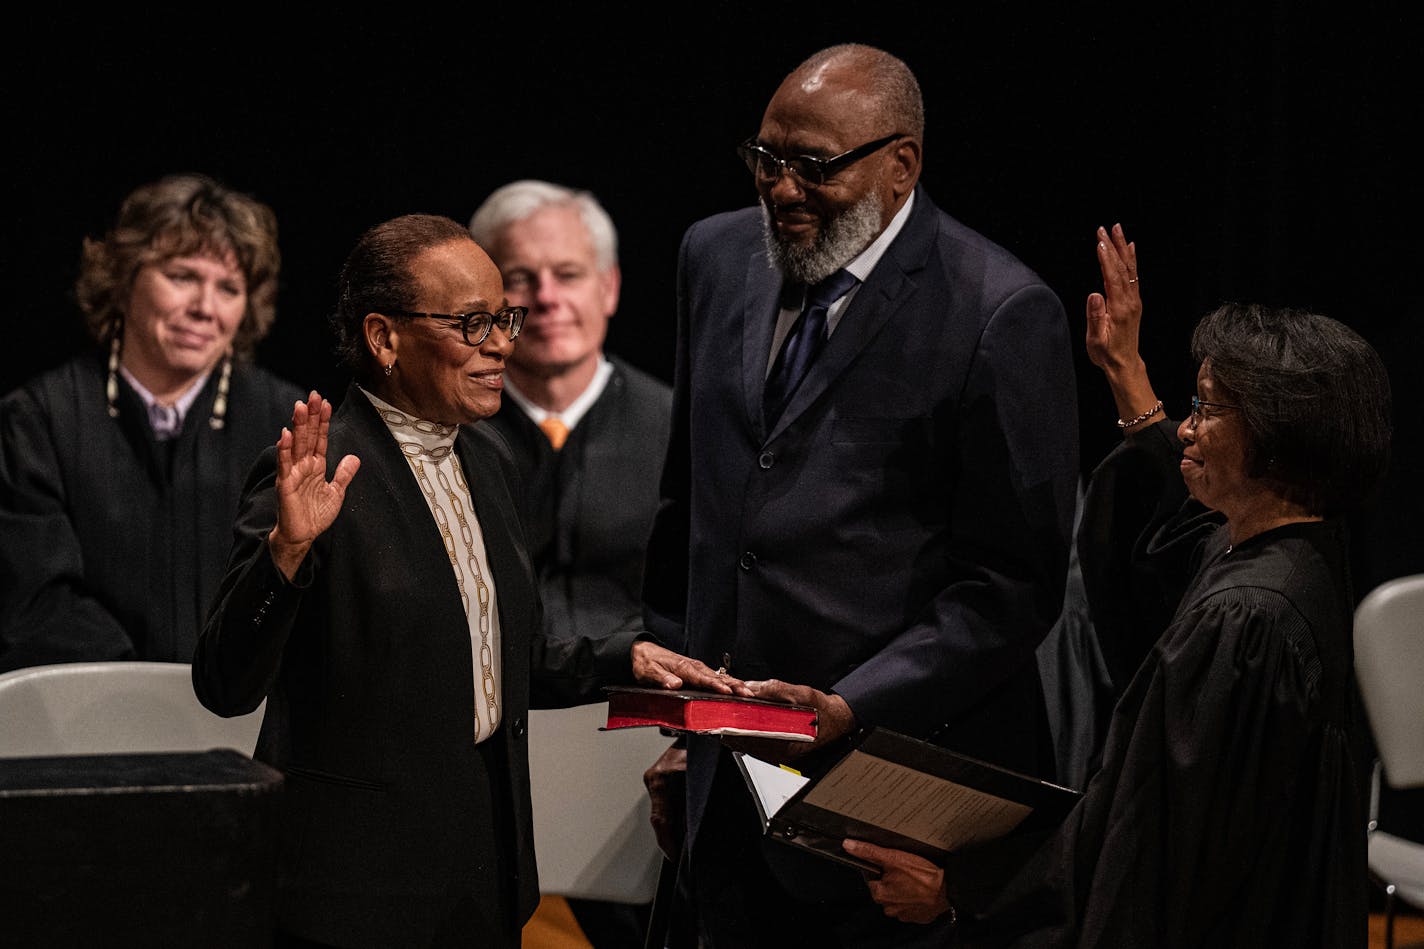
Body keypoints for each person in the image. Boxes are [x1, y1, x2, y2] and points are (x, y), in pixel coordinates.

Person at [191, 212, 740, 949]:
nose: (503, 345)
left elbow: (496, 658)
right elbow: (224, 682)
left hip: (481, 878)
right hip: (354, 898)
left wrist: (625, 657)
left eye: (503, 319)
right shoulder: (316, 472)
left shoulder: (488, 458)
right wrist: (286, 552)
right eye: (474, 323)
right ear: (384, 337)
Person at [639, 43, 1081, 948]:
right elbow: (695, 511)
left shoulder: (1000, 312)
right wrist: (692, 729)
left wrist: (850, 704)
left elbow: (1009, 589)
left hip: (878, 809)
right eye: (766, 158)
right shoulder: (714, 256)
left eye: (815, 166)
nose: (782, 188)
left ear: (899, 164)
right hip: (721, 797)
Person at [848, 223, 1392, 948]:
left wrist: (964, 889)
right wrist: (1126, 374)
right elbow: (1171, 539)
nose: (1189, 430)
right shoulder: (1297, 552)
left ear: (1275, 431)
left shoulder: (1243, 624)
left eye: (1207, 407)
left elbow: (1144, 843)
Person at [469, 179, 671, 947]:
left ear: (611, 286)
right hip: (489, 758)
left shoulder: (680, 430)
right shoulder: (445, 440)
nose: (546, 298)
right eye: (520, 279)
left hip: (634, 764)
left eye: (569, 274)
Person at [0, 172, 302, 671]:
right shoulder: (37, 420)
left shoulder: (286, 423)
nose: (205, 308)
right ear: (123, 278)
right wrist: (147, 701)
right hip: (92, 716)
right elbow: (35, 599)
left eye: (229, 287)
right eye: (183, 277)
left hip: (244, 720)